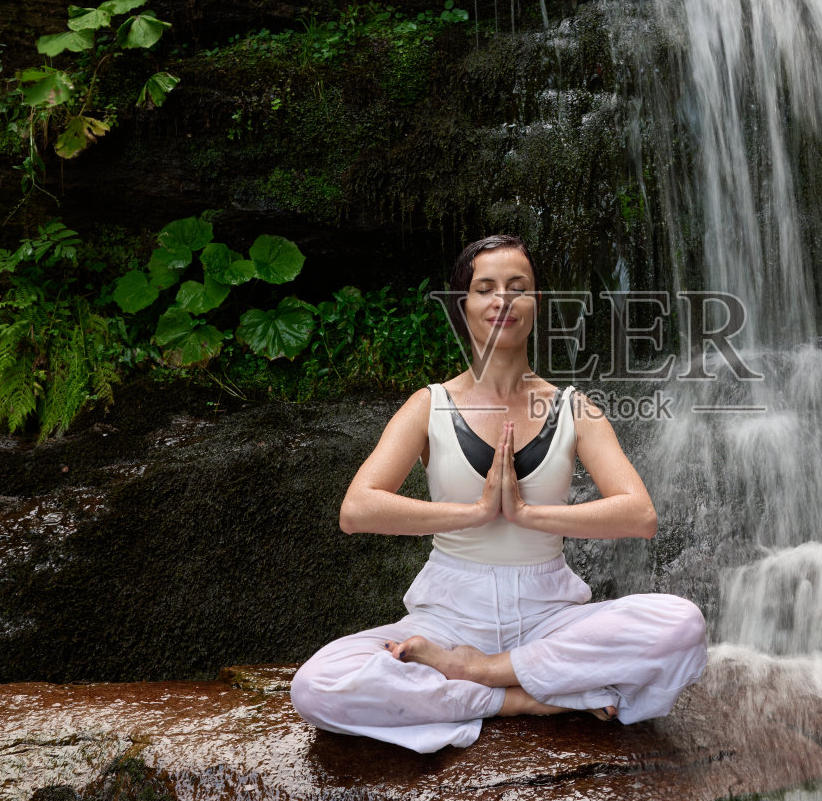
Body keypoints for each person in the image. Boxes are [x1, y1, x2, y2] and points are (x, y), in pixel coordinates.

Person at [289, 234, 709, 753]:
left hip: (549, 616)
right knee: (316, 685)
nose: (502, 301)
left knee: (682, 624)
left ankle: (483, 672)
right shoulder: (430, 405)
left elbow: (639, 515)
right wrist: (475, 512)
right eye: (485, 288)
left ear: (537, 303)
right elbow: (357, 508)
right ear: (462, 305)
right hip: (447, 617)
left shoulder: (574, 408)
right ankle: (518, 698)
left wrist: (529, 515)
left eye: (519, 287)